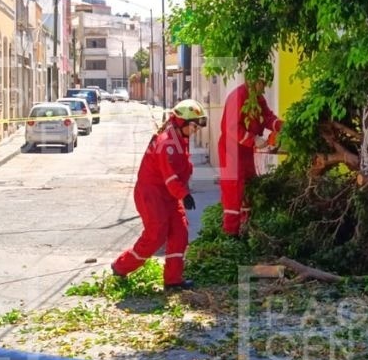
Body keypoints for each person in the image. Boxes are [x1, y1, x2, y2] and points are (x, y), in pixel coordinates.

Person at [111, 99, 208, 290]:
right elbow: (169, 175)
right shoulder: (167, 143)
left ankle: (173, 280)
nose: (196, 130)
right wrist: (184, 194)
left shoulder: (180, 138)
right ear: (182, 122)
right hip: (152, 195)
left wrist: (181, 192)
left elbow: (180, 171)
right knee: (156, 236)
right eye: (194, 126)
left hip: (169, 195)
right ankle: (121, 267)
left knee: (180, 233)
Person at [218, 79, 284, 236]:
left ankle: (245, 228)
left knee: (248, 185)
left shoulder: (257, 98)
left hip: (245, 150)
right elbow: (231, 127)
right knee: (233, 191)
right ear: (252, 81)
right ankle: (231, 233)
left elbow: (267, 117)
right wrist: (253, 139)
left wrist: (282, 126)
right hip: (231, 150)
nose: (264, 87)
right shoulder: (238, 96)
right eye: (262, 83)